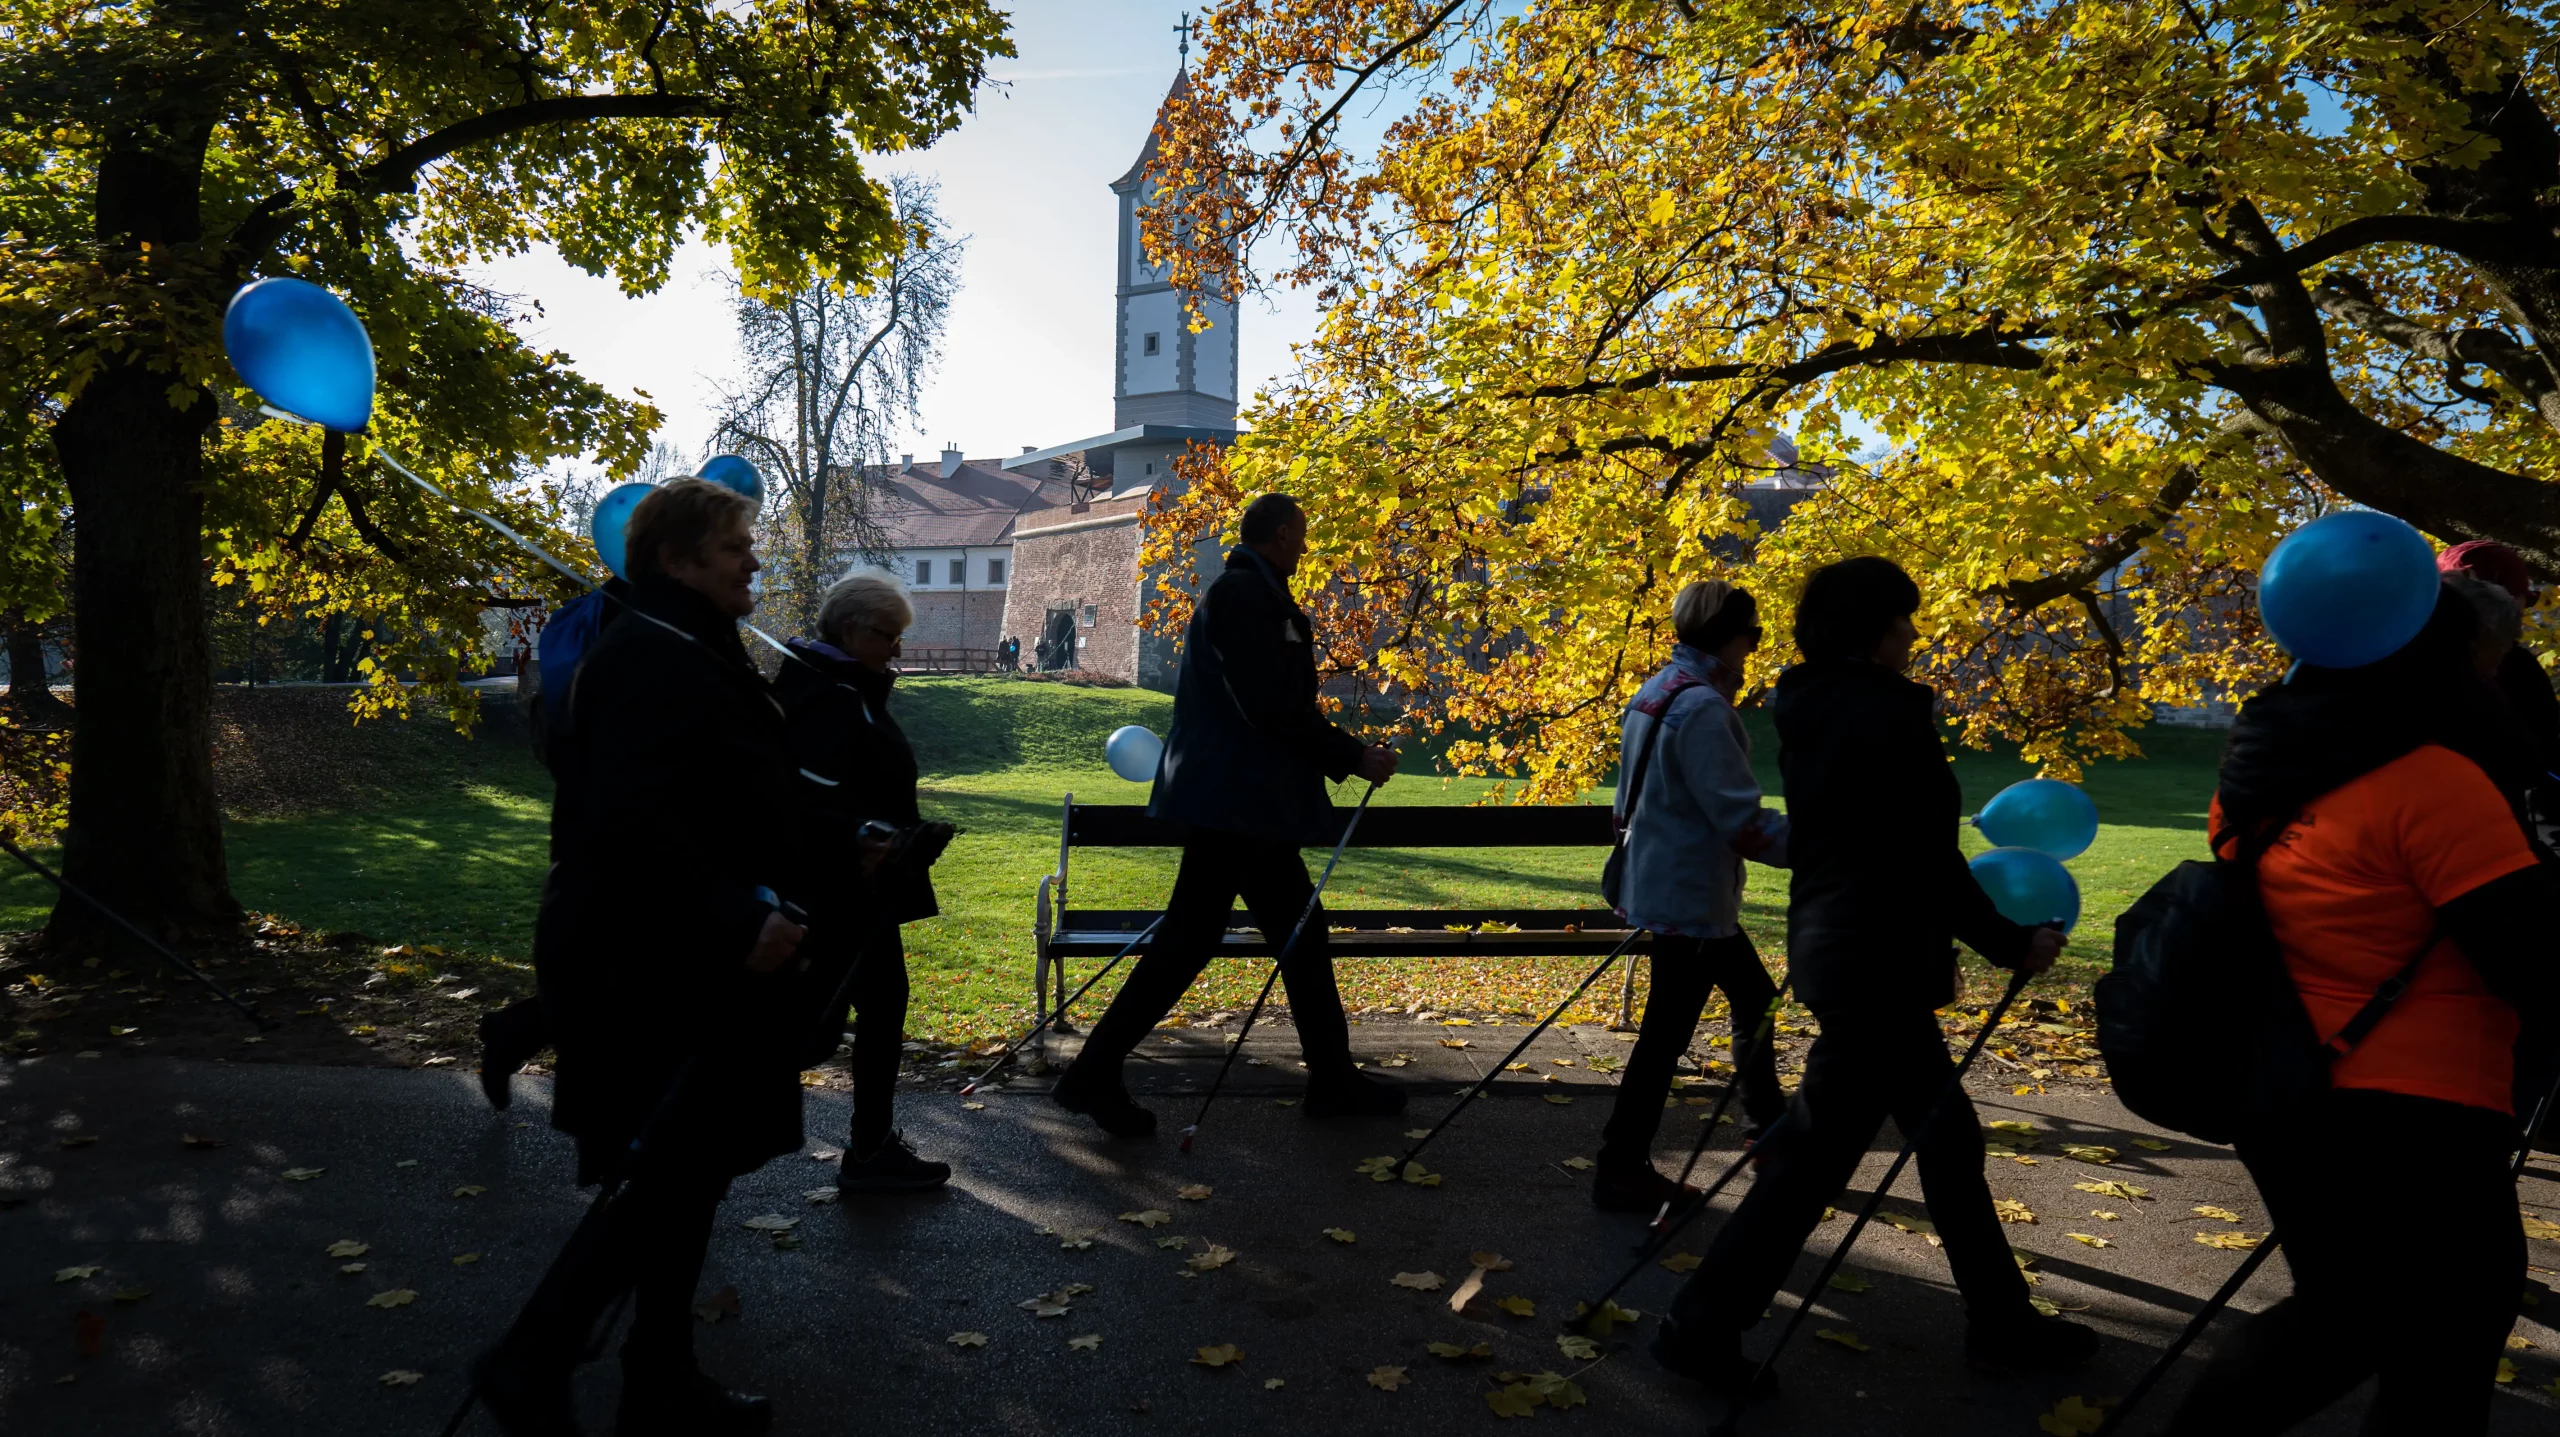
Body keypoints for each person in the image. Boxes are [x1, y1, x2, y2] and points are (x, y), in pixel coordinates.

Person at [1653, 556, 2083, 1399]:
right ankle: (1700, 1325)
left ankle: (2001, 1320)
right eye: (1905, 619)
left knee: (1941, 1140)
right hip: (1878, 959)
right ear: (1873, 628)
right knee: (1818, 1158)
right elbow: (1919, 855)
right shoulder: (1883, 716)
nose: (1914, 635)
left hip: (1844, 950)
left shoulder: (1815, 708)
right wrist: (2007, 941)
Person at [2160, 583, 2557, 1437]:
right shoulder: (2435, 783)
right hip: (2417, 1105)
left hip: (2290, 1081)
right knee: (2372, 1321)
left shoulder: (2259, 780)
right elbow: (2530, 956)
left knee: (2411, 1318)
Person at [474, 478, 811, 1437]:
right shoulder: (648, 657)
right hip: (649, 961)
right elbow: (630, 822)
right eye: (736, 543)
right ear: (675, 559)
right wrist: (735, 920)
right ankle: (532, 1359)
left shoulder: (690, 643)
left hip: (690, 954)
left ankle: (656, 1373)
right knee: (665, 1173)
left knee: (688, 1174)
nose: (754, 557)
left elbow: (732, 789)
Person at [1051, 492, 1402, 1135]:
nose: (1304, 546)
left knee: (1271, 937)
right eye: (1299, 534)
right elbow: (1268, 704)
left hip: (1239, 802)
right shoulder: (1245, 598)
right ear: (1276, 534)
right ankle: (1096, 1073)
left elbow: (1270, 700)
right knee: (1221, 942)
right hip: (1239, 803)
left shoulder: (1251, 594)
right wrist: (1352, 754)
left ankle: (1329, 1078)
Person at [1595, 580, 1789, 1212]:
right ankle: (1622, 1165)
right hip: (1691, 900)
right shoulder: (1703, 707)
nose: (1755, 649)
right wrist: (1825, 848)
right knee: (1665, 1035)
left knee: (1750, 999)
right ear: (1728, 636)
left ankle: (1770, 1132)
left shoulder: (1657, 690)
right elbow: (1741, 823)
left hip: (1667, 885)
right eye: (1755, 635)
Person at [778, 573, 955, 1193]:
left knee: (876, 1007)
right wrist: (864, 835)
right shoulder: (826, 693)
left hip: (862, 887)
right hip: (837, 889)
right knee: (802, 1028)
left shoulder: (845, 686)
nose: (896, 651)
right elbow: (803, 797)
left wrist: (892, 833)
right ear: (852, 628)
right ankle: (678, 1132)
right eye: (888, 636)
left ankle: (872, 1146)